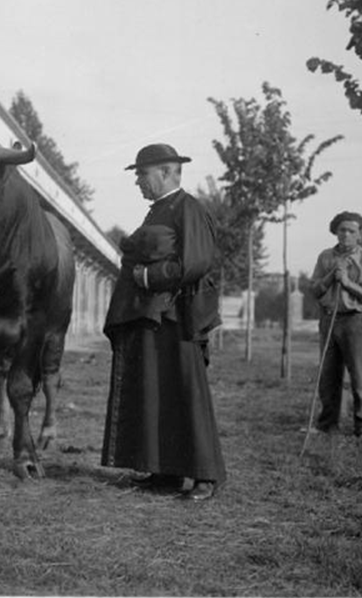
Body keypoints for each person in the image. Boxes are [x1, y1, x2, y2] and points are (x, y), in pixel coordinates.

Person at [101, 143, 226, 501]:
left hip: (178, 318)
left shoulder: (189, 208)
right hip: (153, 316)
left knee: (187, 392)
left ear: (168, 172)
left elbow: (196, 263)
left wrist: (147, 277)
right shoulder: (158, 211)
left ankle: (205, 477)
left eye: (142, 174)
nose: (138, 181)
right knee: (158, 393)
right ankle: (165, 471)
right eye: (138, 175)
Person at [309, 211, 362, 441]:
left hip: (355, 321)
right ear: (335, 231)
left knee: (359, 376)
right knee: (328, 374)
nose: (346, 235)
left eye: (352, 231)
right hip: (329, 318)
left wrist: (349, 284)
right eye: (342, 230)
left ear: (360, 234)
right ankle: (326, 424)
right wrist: (331, 276)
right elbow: (314, 290)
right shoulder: (325, 257)